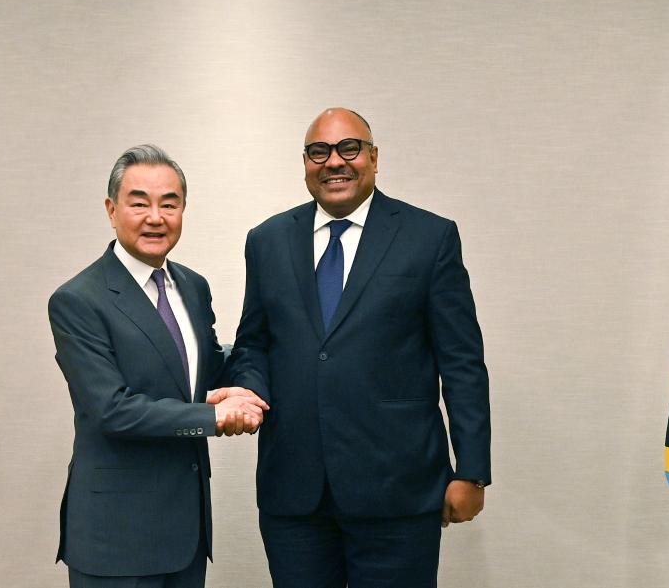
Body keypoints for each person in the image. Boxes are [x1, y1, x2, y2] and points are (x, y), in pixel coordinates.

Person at [213, 108, 491, 587]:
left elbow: (462, 362)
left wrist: (472, 471)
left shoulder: (429, 237)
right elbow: (255, 343)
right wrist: (248, 392)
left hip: (397, 489)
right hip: (294, 490)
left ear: (374, 158)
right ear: (305, 163)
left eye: (349, 148)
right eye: (319, 152)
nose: (334, 162)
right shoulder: (267, 241)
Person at [48, 144, 268, 588]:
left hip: (185, 533)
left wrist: (249, 380)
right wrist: (213, 416)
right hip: (116, 539)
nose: (156, 217)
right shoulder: (78, 300)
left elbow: (206, 368)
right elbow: (111, 410)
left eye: (169, 204)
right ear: (112, 210)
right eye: (139, 203)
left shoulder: (192, 286)